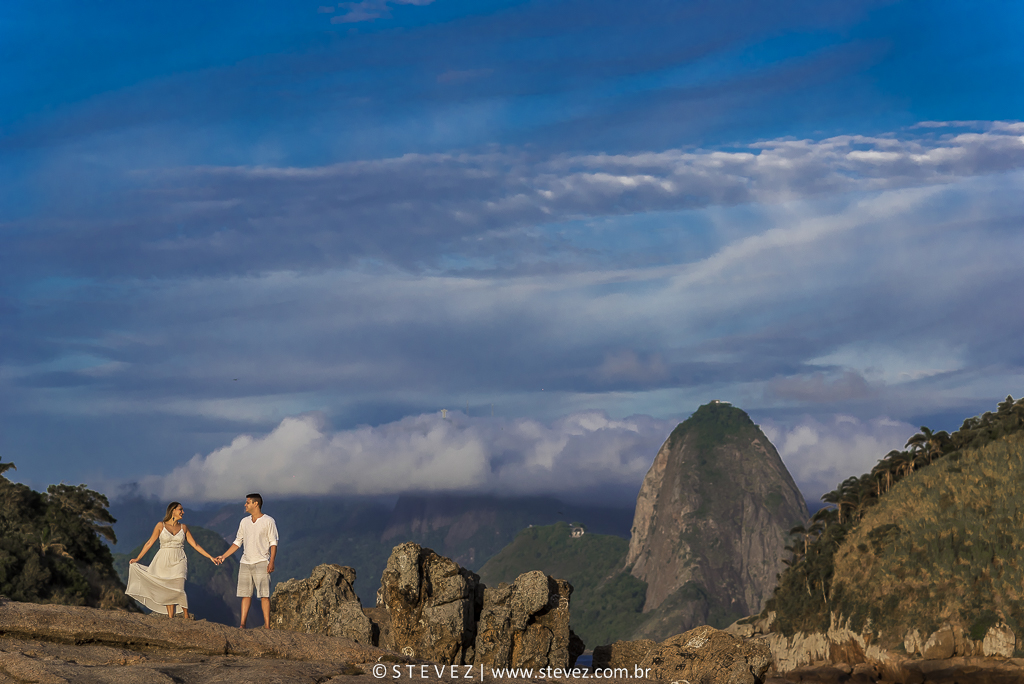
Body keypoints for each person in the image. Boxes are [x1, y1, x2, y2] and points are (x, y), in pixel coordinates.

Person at [126, 502, 221, 618]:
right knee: (167, 589)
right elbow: (149, 542)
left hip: (179, 559)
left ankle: (186, 615)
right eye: (180, 509)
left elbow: (195, 545)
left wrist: (210, 557)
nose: (183, 512)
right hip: (163, 560)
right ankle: (171, 617)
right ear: (173, 511)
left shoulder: (183, 527)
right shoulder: (160, 525)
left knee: (179, 588)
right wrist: (138, 558)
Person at [215, 493, 279, 628]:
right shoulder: (244, 522)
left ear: (256, 504)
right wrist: (224, 556)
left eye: (248, 502)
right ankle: (242, 624)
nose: (245, 505)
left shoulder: (268, 521)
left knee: (264, 595)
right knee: (245, 595)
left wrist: (271, 561)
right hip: (245, 562)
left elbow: (273, 543)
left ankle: (267, 626)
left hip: (262, 561)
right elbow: (237, 542)